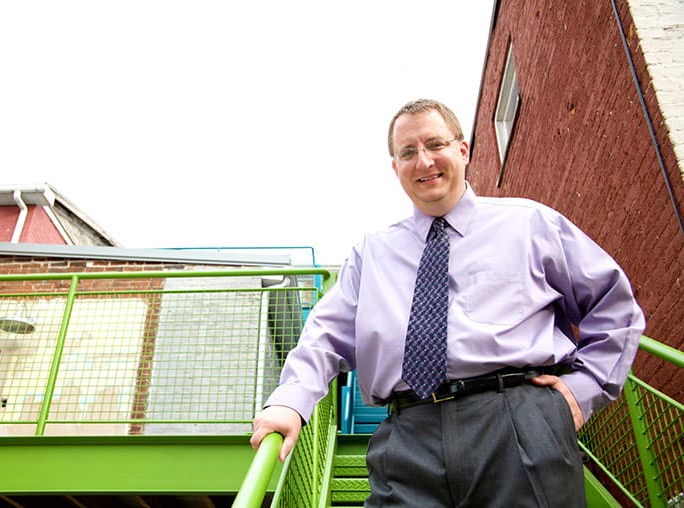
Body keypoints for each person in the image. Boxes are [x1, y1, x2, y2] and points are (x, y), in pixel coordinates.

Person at [250, 99, 645, 506]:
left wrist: (584, 388)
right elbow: (324, 338)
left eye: (434, 144)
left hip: (518, 422)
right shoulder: (372, 254)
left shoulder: (529, 224)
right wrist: (289, 403)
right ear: (395, 168)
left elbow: (613, 305)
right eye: (408, 152)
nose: (423, 161)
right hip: (407, 437)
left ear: (462, 150)